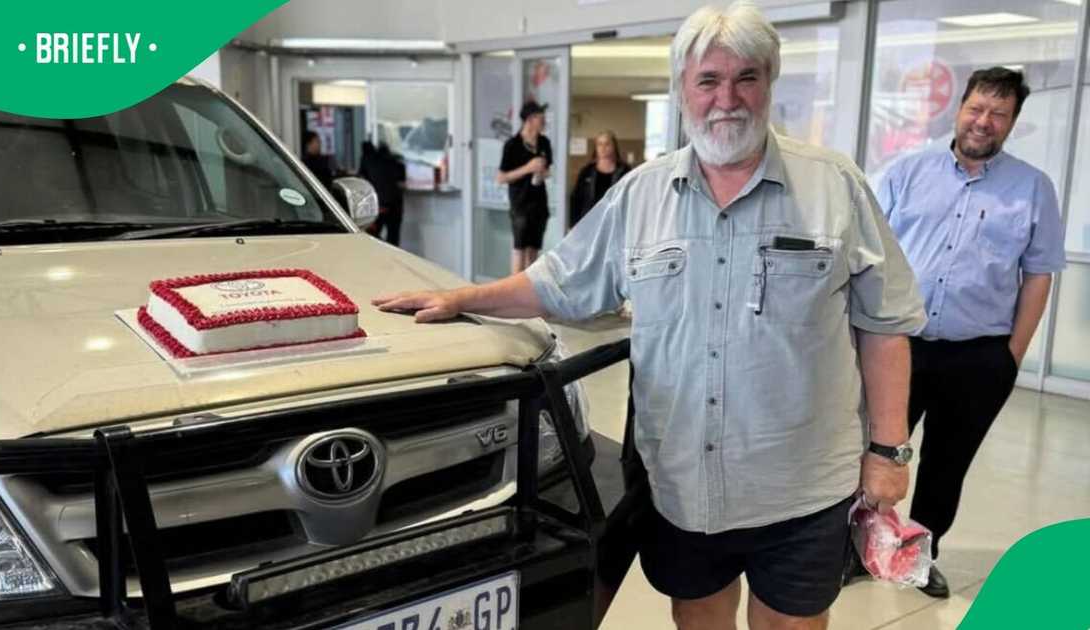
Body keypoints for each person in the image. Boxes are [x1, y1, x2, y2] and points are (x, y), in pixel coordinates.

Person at [373, 3, 927, 628]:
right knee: (698, 618)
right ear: (683, 90)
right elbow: (557, 281)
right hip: (684, 483)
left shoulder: (834, 186)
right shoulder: (641, 195)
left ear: (769, 83)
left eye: (746, 78)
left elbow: (885, 322)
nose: (728, 99)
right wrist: (463, 299)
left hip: (801, 485)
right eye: (708, 80)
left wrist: (888, 452)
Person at [869, 67, 1066, 598]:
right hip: (898, 346)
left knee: (946, 466)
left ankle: (920, 556)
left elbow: (1039, 274)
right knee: (875, 450)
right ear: (959, 108)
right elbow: (868, 258)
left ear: (1012, 122)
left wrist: (1011, 356)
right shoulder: (905, 173)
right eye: (977, 108)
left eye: (998, 114)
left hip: (979, 357)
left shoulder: (1033, 189)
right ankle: (858, 549)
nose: (984, 121)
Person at [498, 100, 553, 274]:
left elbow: (548, 170)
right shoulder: (512, 145)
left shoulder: (544, 142)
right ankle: (513, 292)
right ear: (529, 119)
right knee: (519, 249)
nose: (544, 121)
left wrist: (543, 173)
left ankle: (530, 291)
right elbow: (501, 177)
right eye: (540, 118)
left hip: (539, 201)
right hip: (520, 204)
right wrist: (527, 168)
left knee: (534, 250)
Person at [570, 130, 631, 229]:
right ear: (596, 148)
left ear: (614, 147)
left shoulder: (624, 171)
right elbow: (576, 199)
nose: (603, 148)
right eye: (600, 144)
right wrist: (573, 225)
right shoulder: (587, 171)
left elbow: (630, 199)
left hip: (615, 223)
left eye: (607, 144)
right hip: (589, 223)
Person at [359, 140, 407, 246]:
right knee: (393, 237)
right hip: (395, 204)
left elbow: (362, 179)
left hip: (377, 204)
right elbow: (402, 184)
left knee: (373, 237)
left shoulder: (367, 160)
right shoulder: (397, 162)